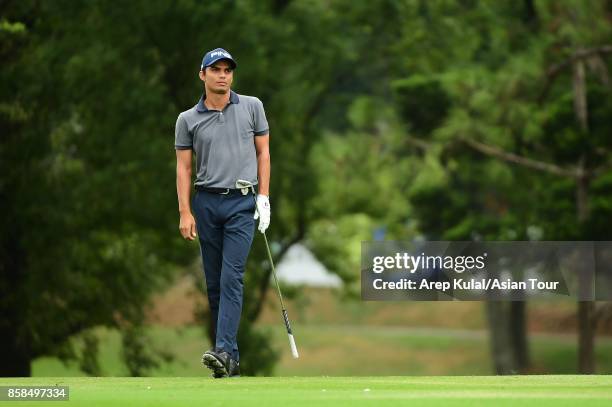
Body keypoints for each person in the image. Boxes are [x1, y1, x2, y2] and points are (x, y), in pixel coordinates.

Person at [174, 47, 271, 378]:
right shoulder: (187, 120)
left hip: (242, 203)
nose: (223, 75)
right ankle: (228, 360)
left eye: (227, 70)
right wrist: (185, 211)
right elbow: (184, 169)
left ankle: (222, 351)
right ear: (202, 75)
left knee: (232, 278)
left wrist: (264, 197)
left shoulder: (252, 107)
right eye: (215, 70)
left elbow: (264, 153)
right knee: (214, 285)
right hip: (206, 203)